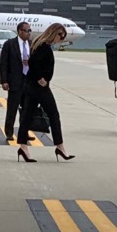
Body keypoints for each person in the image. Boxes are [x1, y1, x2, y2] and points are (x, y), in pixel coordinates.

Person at [16, 22, 74, 163]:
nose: (62, 38)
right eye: (60, 35)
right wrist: (40, 78)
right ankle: (60, 146)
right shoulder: (43, 46)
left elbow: (32, 63)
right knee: (53, 115)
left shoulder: (41, 44)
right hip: (39, 87)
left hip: (31, 86)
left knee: (27, 116)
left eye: (64, 36)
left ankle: (23, 147)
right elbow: (32, 63)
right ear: (53, 32)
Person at [0, 20, 33, 143]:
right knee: (12, 108)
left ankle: (24, 132)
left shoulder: (31, 44)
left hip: (28, 81)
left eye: (30, 30)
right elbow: (4, 63)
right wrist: (4, 80)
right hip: (15, 81)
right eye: (27, 31)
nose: (29, 33)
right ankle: (9, 131)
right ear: (19, 31)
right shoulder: (10, 44)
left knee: (27, 109)